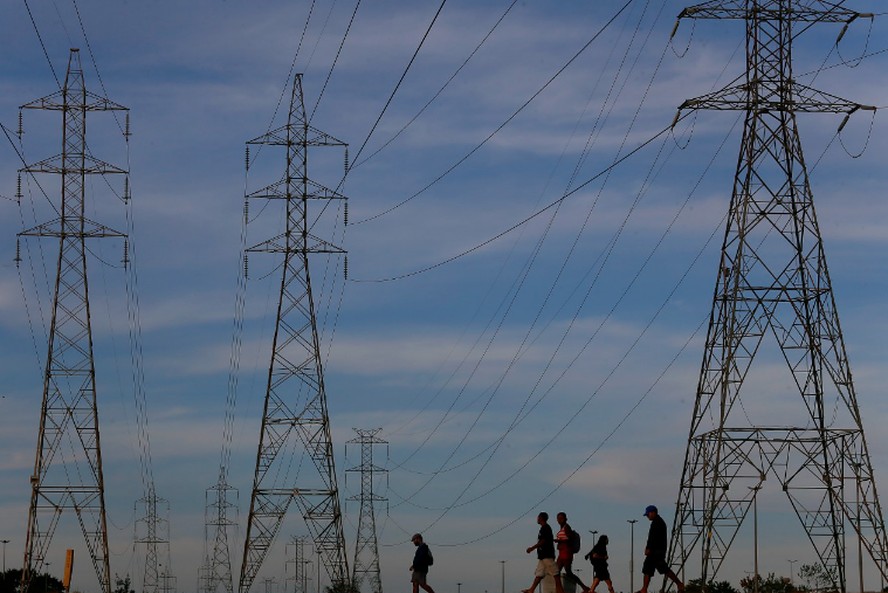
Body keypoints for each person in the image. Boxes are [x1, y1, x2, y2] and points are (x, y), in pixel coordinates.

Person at [637, 505, 684, 593]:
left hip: (656, 551)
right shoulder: (657, 522)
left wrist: (649, 548)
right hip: (656, 551)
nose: (647, 516)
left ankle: (679, 584)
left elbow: (653, 538)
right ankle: (644, 589)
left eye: (648, 514)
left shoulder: (658, 523)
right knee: (649, 568)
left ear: (653, 513)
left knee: (662, 568)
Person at [522, 512, 565, 593]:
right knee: (539, 574)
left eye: (538, 517)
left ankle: (560, 591)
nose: (537, 519)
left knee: (556, 574)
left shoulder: (546, 528)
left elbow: (543, 541)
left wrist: (532, 548)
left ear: (541, 518)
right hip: (542, 556)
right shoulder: (543, 528)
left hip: (547, 555)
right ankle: (531, 590)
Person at [555, 512, 588, 592]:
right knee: (556, 571)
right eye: (559, 518)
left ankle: (584, 587)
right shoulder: (563, 527)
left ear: (566, 519)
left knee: (566, 572)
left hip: (566, 552)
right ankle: (559, 589)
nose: (560, 520)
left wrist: (559, 540)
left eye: (561, 518)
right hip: (562, 553)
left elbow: (570, 538)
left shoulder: (567, 527)